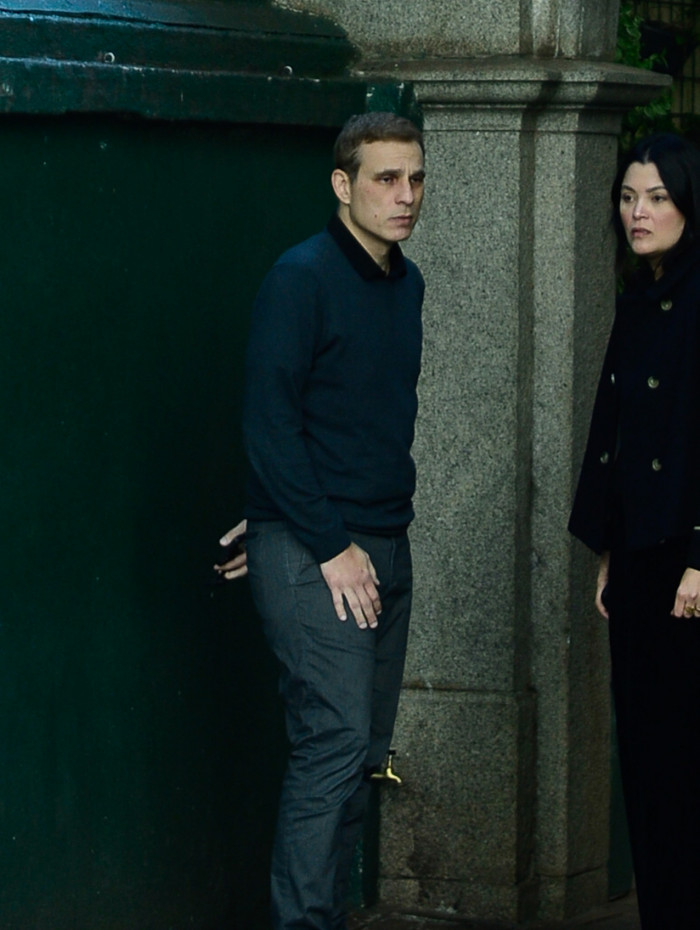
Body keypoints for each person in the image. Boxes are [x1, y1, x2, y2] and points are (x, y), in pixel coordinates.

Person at [225, 112, 426, 930]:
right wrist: (310, 536)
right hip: (324, 550)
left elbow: (357, 422)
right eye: (386, 179)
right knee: (335, 742)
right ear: (343, 185)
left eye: (415, 178)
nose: (405, 195)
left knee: (361, 755)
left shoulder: (407, 283)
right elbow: (269, 421)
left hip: (383, 541)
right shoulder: (300, 278)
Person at [569, 132, 700, 929]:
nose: (637, 212)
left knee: (682, 759)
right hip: (643, 554)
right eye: (626, 197)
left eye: (655, 197)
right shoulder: (638, 295)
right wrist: (610, 549)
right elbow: (617, 432)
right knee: (647, 756)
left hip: (690, 562)